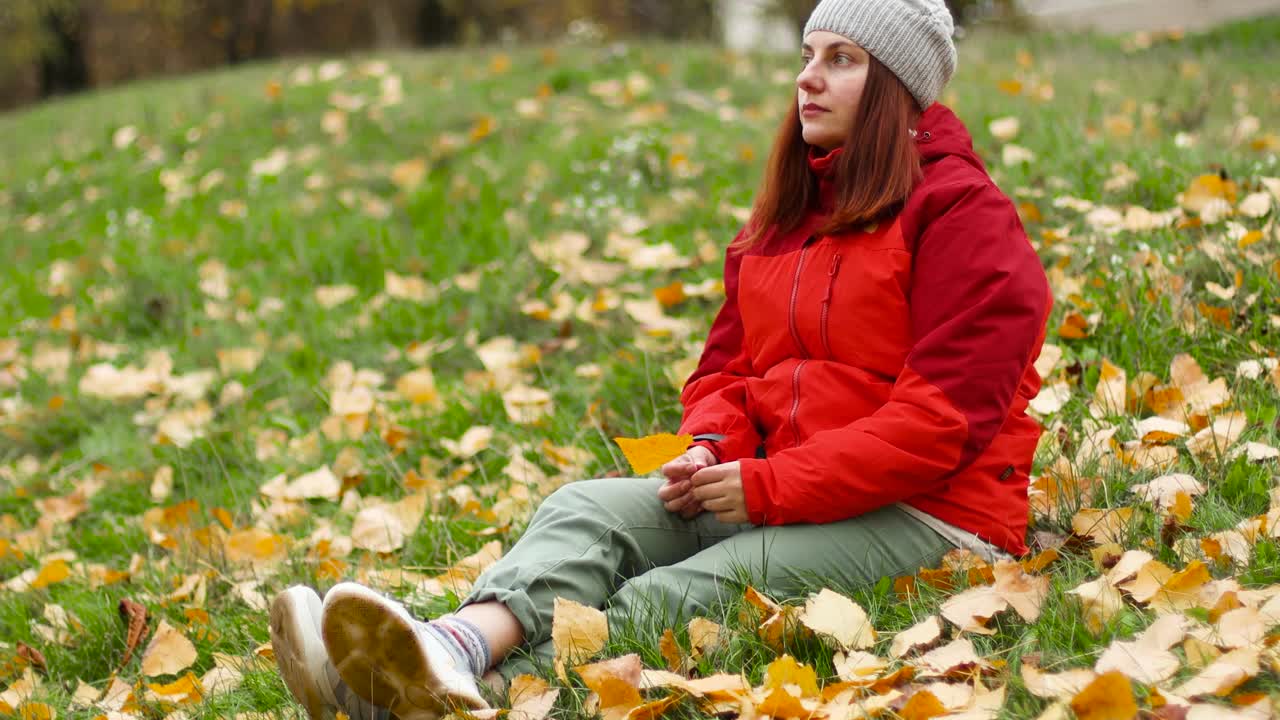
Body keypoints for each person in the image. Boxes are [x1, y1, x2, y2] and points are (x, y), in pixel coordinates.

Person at [267, 0, 1052, 717]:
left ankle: (456, 698)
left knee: (668, 596)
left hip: (934, 513)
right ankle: (454, 647)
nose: (808, 78)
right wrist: (713, 446)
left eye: (842, 60)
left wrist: (767, 485)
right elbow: (725, 374)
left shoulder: (965, 217)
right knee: (585, 511)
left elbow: (935, 429)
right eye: (808, 54)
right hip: (781, 481)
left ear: (897, 89)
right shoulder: (789, 215)